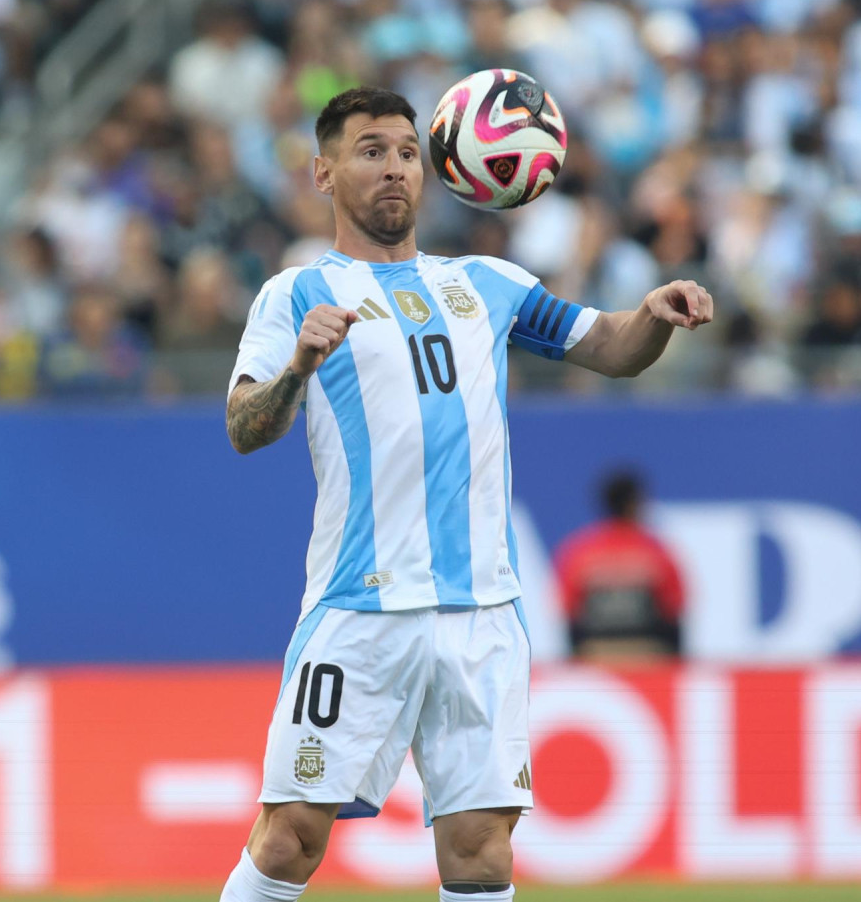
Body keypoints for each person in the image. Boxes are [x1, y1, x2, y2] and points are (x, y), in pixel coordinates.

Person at [219, 86, 713, 902]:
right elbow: (245, 425)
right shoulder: (295, 294)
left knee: (481, 849)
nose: (395, 169)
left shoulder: (487, 283)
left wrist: (653, 314)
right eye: (371, 150)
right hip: (359, 610)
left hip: (483, 614)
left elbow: (613, 348)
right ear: (323, 172)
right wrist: (299, 368)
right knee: (289, 836)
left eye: (408, 153)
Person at [554, 470, 685, 658]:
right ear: (634, 504)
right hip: (649, 655)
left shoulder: (579, 551)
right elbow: (674, 608)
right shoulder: (656, 551)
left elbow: (568, 610)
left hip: (594, 653)